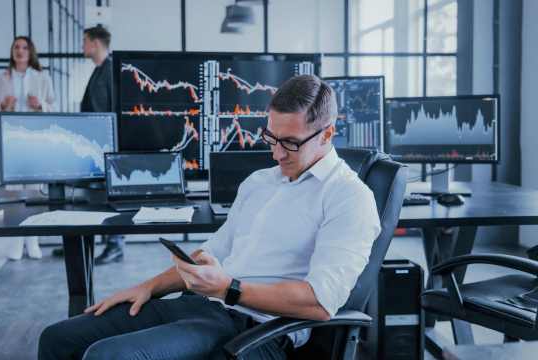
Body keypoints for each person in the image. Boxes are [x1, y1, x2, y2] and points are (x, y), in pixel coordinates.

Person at [38, 75, 382, 359]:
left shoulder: (349, 198)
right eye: (271, 138)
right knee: (57, 339)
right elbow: (213, 253)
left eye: (290, 143)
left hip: (259, 331)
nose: (276, 153)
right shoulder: (259, 182)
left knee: (107, 356)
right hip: (205, 306)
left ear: (327, 134)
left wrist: (229, 289)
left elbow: (320, 303)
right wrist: (146, 287)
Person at [53, 25, 123, 265]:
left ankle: (115, 246)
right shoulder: (99, 69)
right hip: (95, 144)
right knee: (95, 196)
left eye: (85, 41)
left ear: (95, 43)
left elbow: (113, 109)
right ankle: (89, 244)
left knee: (108, 196)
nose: (82, 46)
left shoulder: (110, 69)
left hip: (107, 145)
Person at [0, 36, 55, 260]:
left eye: (24, 47)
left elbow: (54, 108)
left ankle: (32, 240)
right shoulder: (0, 79)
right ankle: (16, 241)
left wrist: (41, 105)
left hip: (35, 140)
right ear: (11, 51)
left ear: (30, 52)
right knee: (14, 194)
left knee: (35, 192)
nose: (20, 51)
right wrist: (3, 106)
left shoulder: (42, 78)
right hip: (11, 141)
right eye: (16, 47)